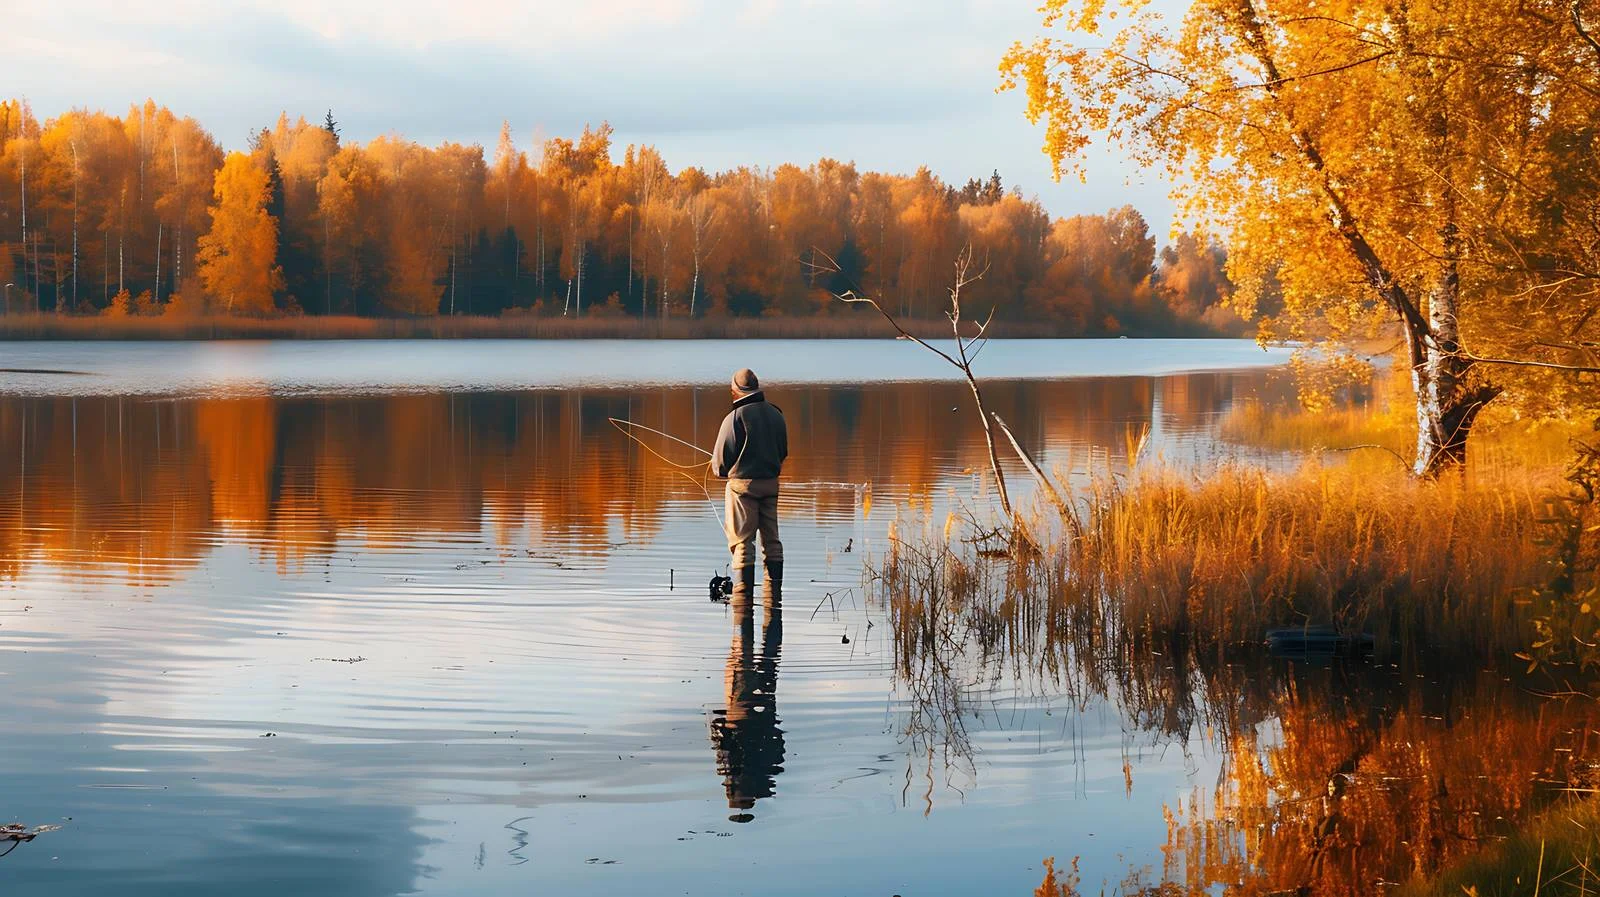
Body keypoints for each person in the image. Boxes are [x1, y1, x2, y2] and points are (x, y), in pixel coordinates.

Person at [710, 368, 787, 595]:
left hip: (742, 489)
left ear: (735, 391)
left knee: (743, 544)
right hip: (771, 485)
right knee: (772, 543)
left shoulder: (734, 418)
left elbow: (719, 467)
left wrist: (726, 468)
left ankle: (743, 599)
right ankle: (774, 596)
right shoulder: (777, 414)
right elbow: (783, 452)